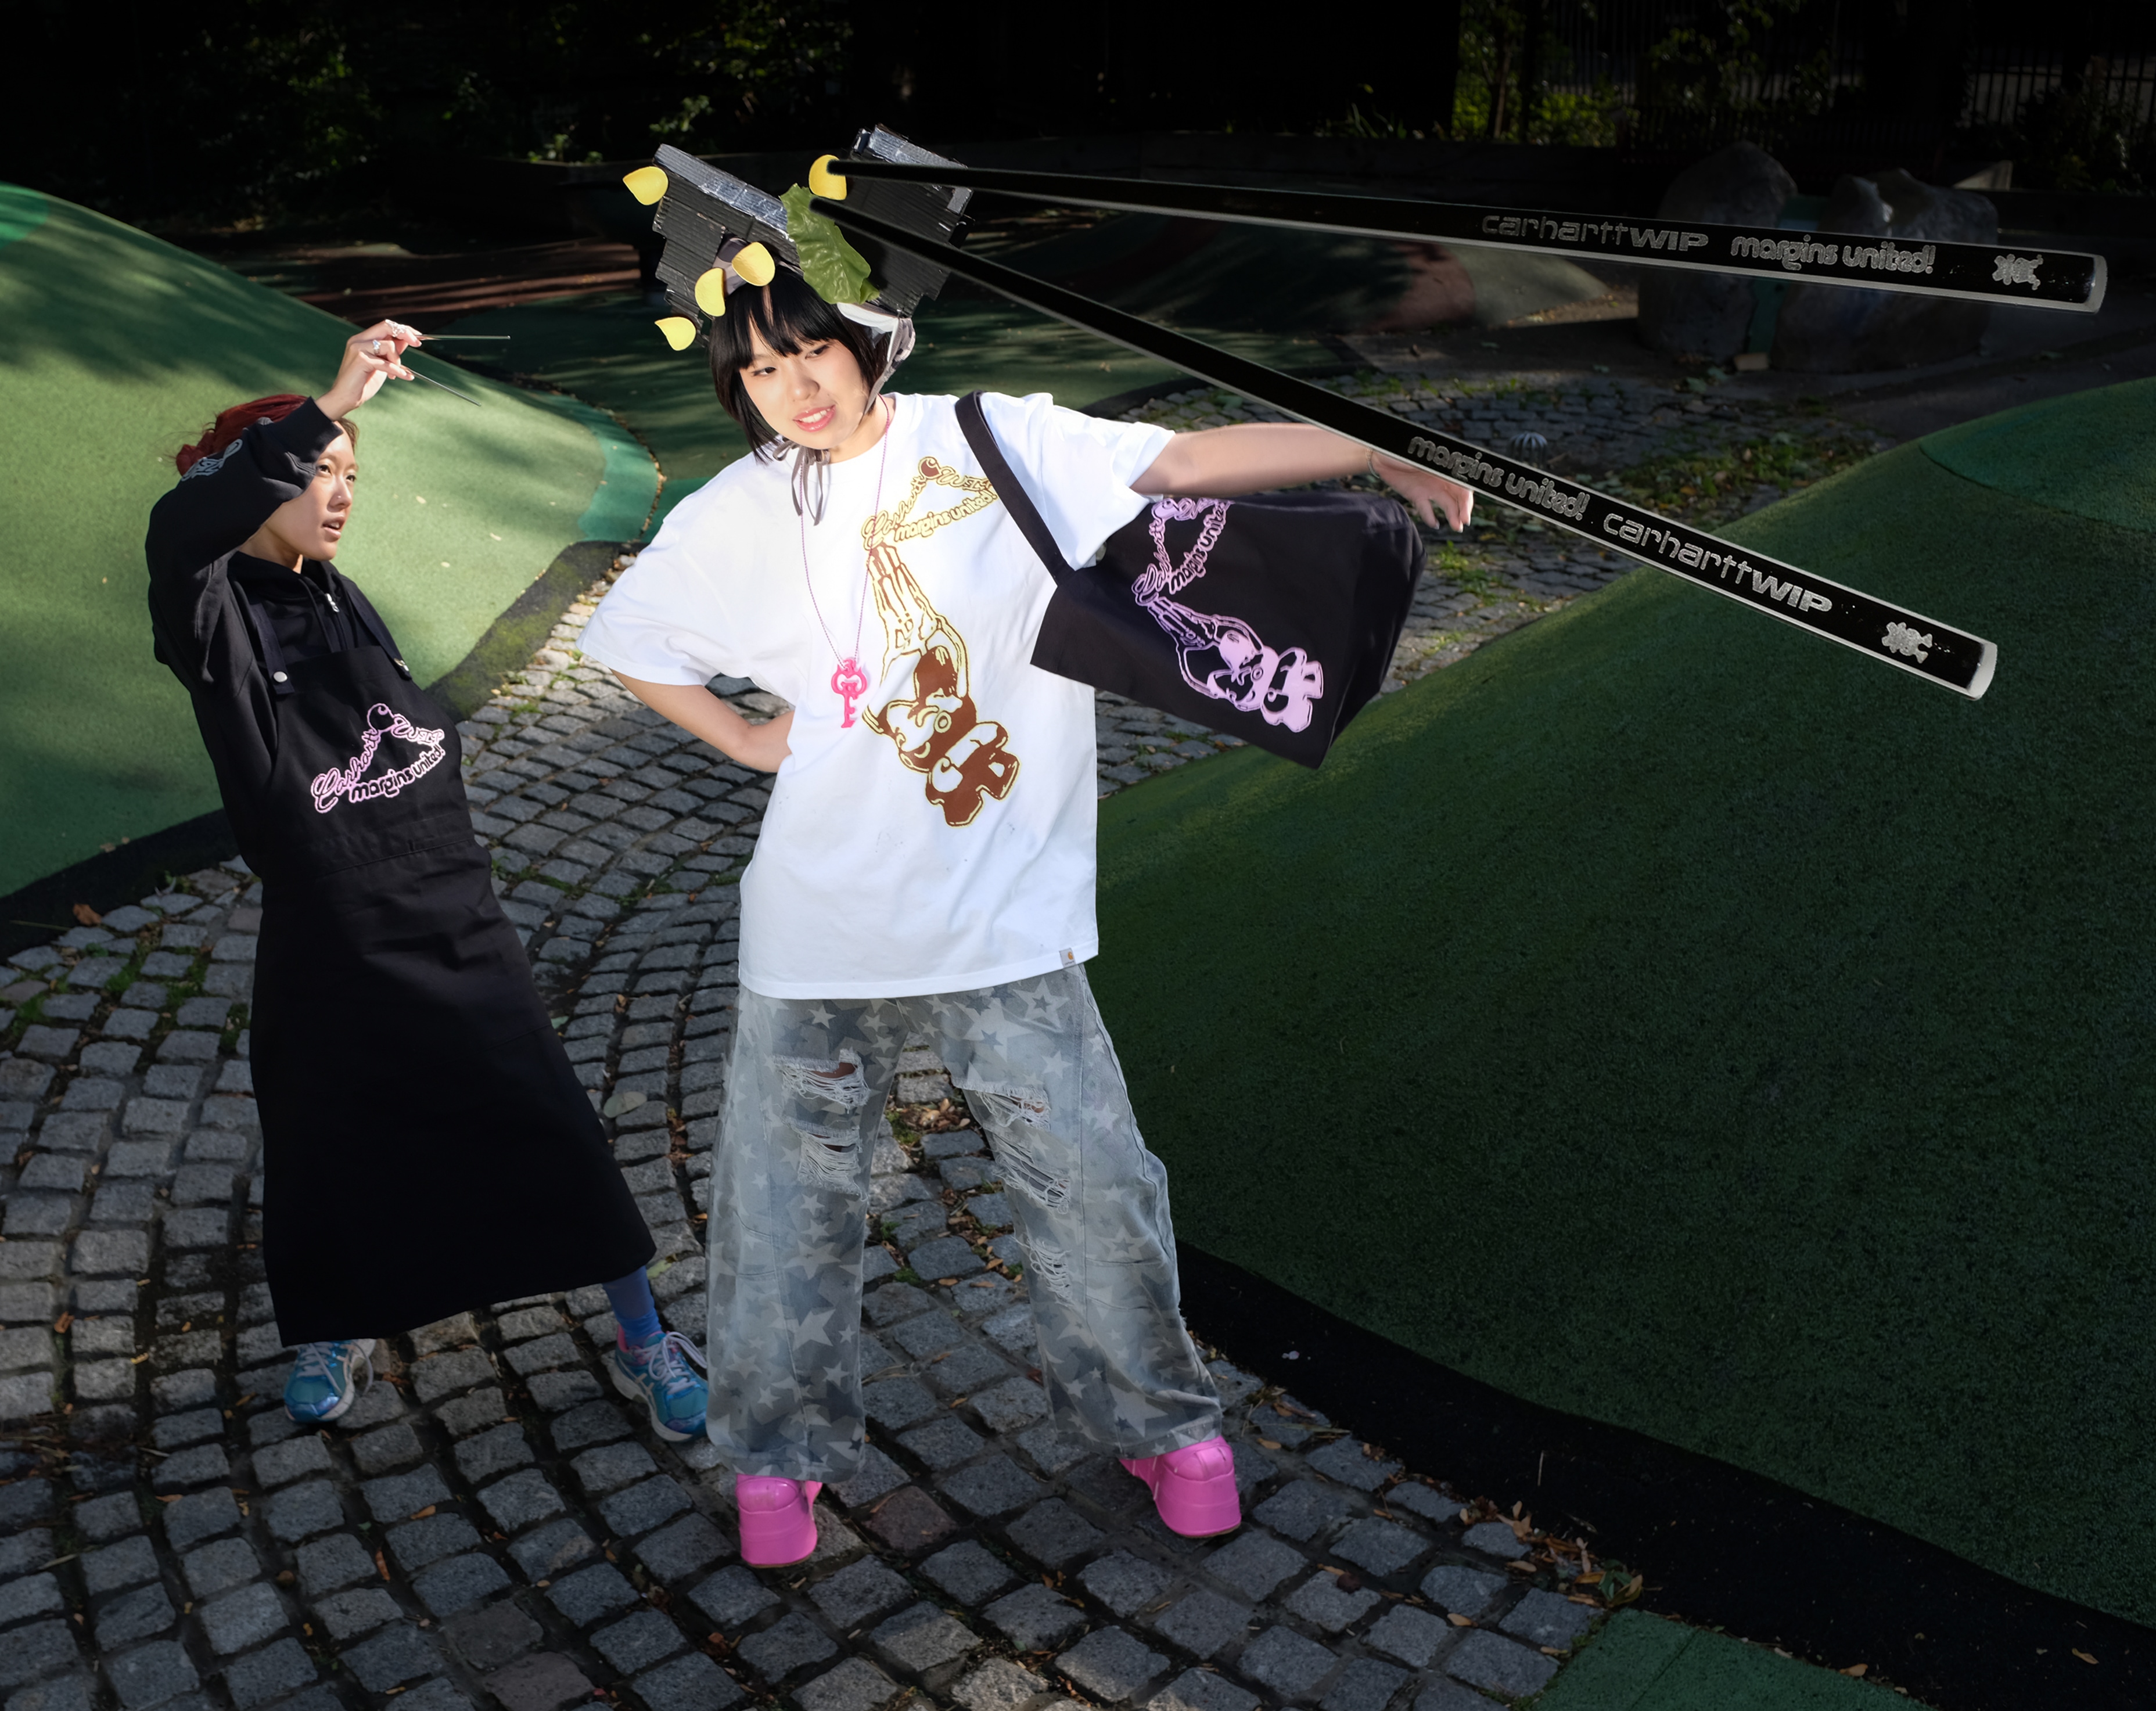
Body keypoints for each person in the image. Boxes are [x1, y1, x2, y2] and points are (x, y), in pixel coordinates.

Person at [576, 265, 1474, 1564]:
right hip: (819, 930)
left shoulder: (990, 437)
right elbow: (629, 634)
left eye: (810, 350)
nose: (794, 387)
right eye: (759, 370)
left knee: (1095, 1185)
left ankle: (1162, 1426)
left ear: (863, 340)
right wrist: (752, 740)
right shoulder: (738, 506)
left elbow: (1180, 462)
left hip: (1002, 919)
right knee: (784, 1207)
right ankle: (776, 1463)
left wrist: (1371, 447)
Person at [144, 322, 707, 1437]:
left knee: (545, 1117)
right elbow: (176, 530)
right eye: (320, 470)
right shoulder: (210, 614)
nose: (340, 494)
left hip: (452, 905)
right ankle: (333, 1323)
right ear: (254, 479)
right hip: (328, 925)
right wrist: (328, 404)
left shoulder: (343, 595)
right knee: (331, 1134)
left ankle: (646, 1335)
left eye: (352, 474)